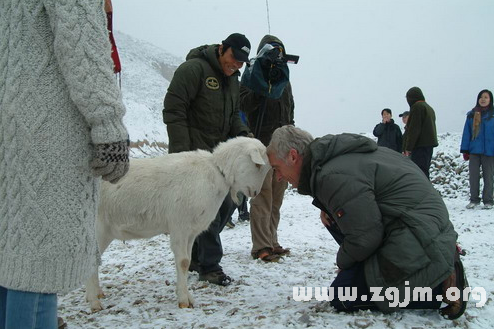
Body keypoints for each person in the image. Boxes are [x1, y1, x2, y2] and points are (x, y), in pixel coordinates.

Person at [0, 1, 130, 328]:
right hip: (47, 135)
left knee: (11, 255)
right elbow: (83, 46)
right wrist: (109, 125)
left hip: (11, 130)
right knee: (38, 266)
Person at [266, 125, 467, 319]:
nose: (278, 177)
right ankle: (381, 270)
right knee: (332, 219)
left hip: (419, 237)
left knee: (342, 296)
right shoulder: (337, 159)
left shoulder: (332, 175)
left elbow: (365, 237)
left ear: (293, 156)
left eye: (277, 168)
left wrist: (343, 263)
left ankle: (440, 288)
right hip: (418, 229)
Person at [163, 33, 251, 285]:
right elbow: (173, 109)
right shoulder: (193, 70)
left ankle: (193, 255)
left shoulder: (233, 79)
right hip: (194, 158)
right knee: (208, 212)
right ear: (222, 48)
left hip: (221, 160)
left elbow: (234, 114)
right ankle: (210, 266)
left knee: (229, 205)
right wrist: (182, 152)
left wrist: (243, 133)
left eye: (241, 62)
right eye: (233, 58)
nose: (236, 65)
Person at [240, 35, 295, 262]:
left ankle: (272, 240)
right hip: (261, 143)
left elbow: (289, 110)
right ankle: (261, 246)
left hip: (282, 145)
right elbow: (243, 103)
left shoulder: (284, 78)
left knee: (276, 198)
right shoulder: (252, 72)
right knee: (263, 196)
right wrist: (261, 85)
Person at [460, 89, 494, 210]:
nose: (483, 99)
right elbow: (467, 133)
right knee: (473, 176)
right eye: (481, 97)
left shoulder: (492, 115)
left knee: (488, 176)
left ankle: (488, 200)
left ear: (490, 100)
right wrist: (465, 150)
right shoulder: (471, 114)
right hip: (474, 150)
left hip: (490, 151)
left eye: (486, 97)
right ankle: (474, 199)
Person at [402, 87, 438, 179]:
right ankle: (427, 192)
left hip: (420, 146)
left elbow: (414, 129)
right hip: (428, 145)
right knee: (424, 171)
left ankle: (423, 192)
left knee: (419, 173)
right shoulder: (429, 108)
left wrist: (408, 147)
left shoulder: (417, 107)